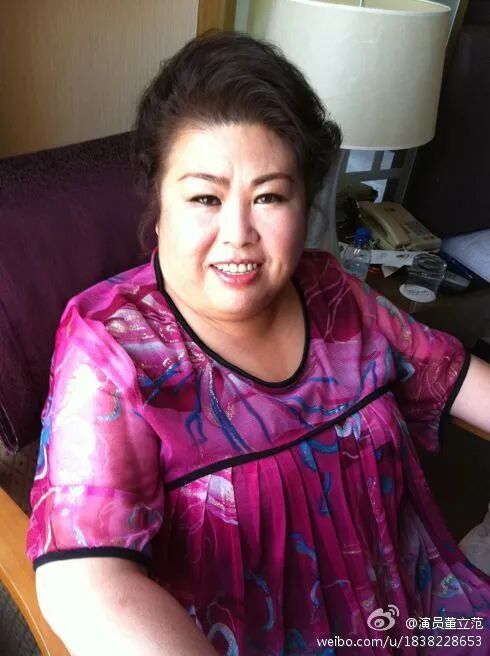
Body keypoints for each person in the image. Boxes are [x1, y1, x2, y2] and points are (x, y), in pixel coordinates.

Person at [27, 31, 490, 656]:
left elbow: (458, 380)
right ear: (159, 206)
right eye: (205, 197)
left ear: (304, 205)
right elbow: (86, 583)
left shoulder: (332, 293)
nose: (238, 233)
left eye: (269, 195)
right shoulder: (114, 345)